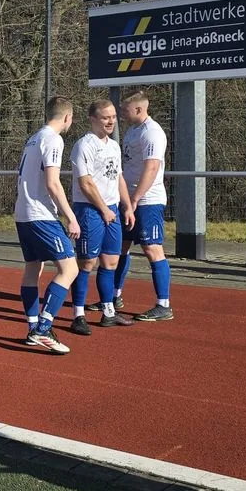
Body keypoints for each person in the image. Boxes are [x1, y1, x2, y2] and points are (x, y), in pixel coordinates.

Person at [14, 96, 80, 355]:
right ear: (67, 117)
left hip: (23, 213)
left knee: (33, 267)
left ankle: (33, 327)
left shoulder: (33, 138)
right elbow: (53, 182)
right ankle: (43, 327)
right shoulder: (53, 139)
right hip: (40, 214)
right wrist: (70, 216)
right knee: (70, 268)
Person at [67, 100, 135, 336]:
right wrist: (104, 209)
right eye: (106, 117)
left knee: (111, 262)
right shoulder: (84, 145)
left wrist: (127, 206)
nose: (111, 121)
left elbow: (118, 178)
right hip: (90, 211)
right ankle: (78, 315)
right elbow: (85, 183)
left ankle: (108, 311)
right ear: (93, 119)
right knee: (87, 262)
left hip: (112, 210)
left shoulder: (114, 146)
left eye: (113, 117)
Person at [109, 91, 173, 321]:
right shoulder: (132, 131)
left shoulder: (152, 132)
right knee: (120, 247)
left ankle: (163, 305)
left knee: (152, 248)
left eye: (124, 110)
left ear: (138, 109)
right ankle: (114, 296)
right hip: (128, 200)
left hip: (148, 201)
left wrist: (135, 198)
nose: (121, 114)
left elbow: (152, 167)